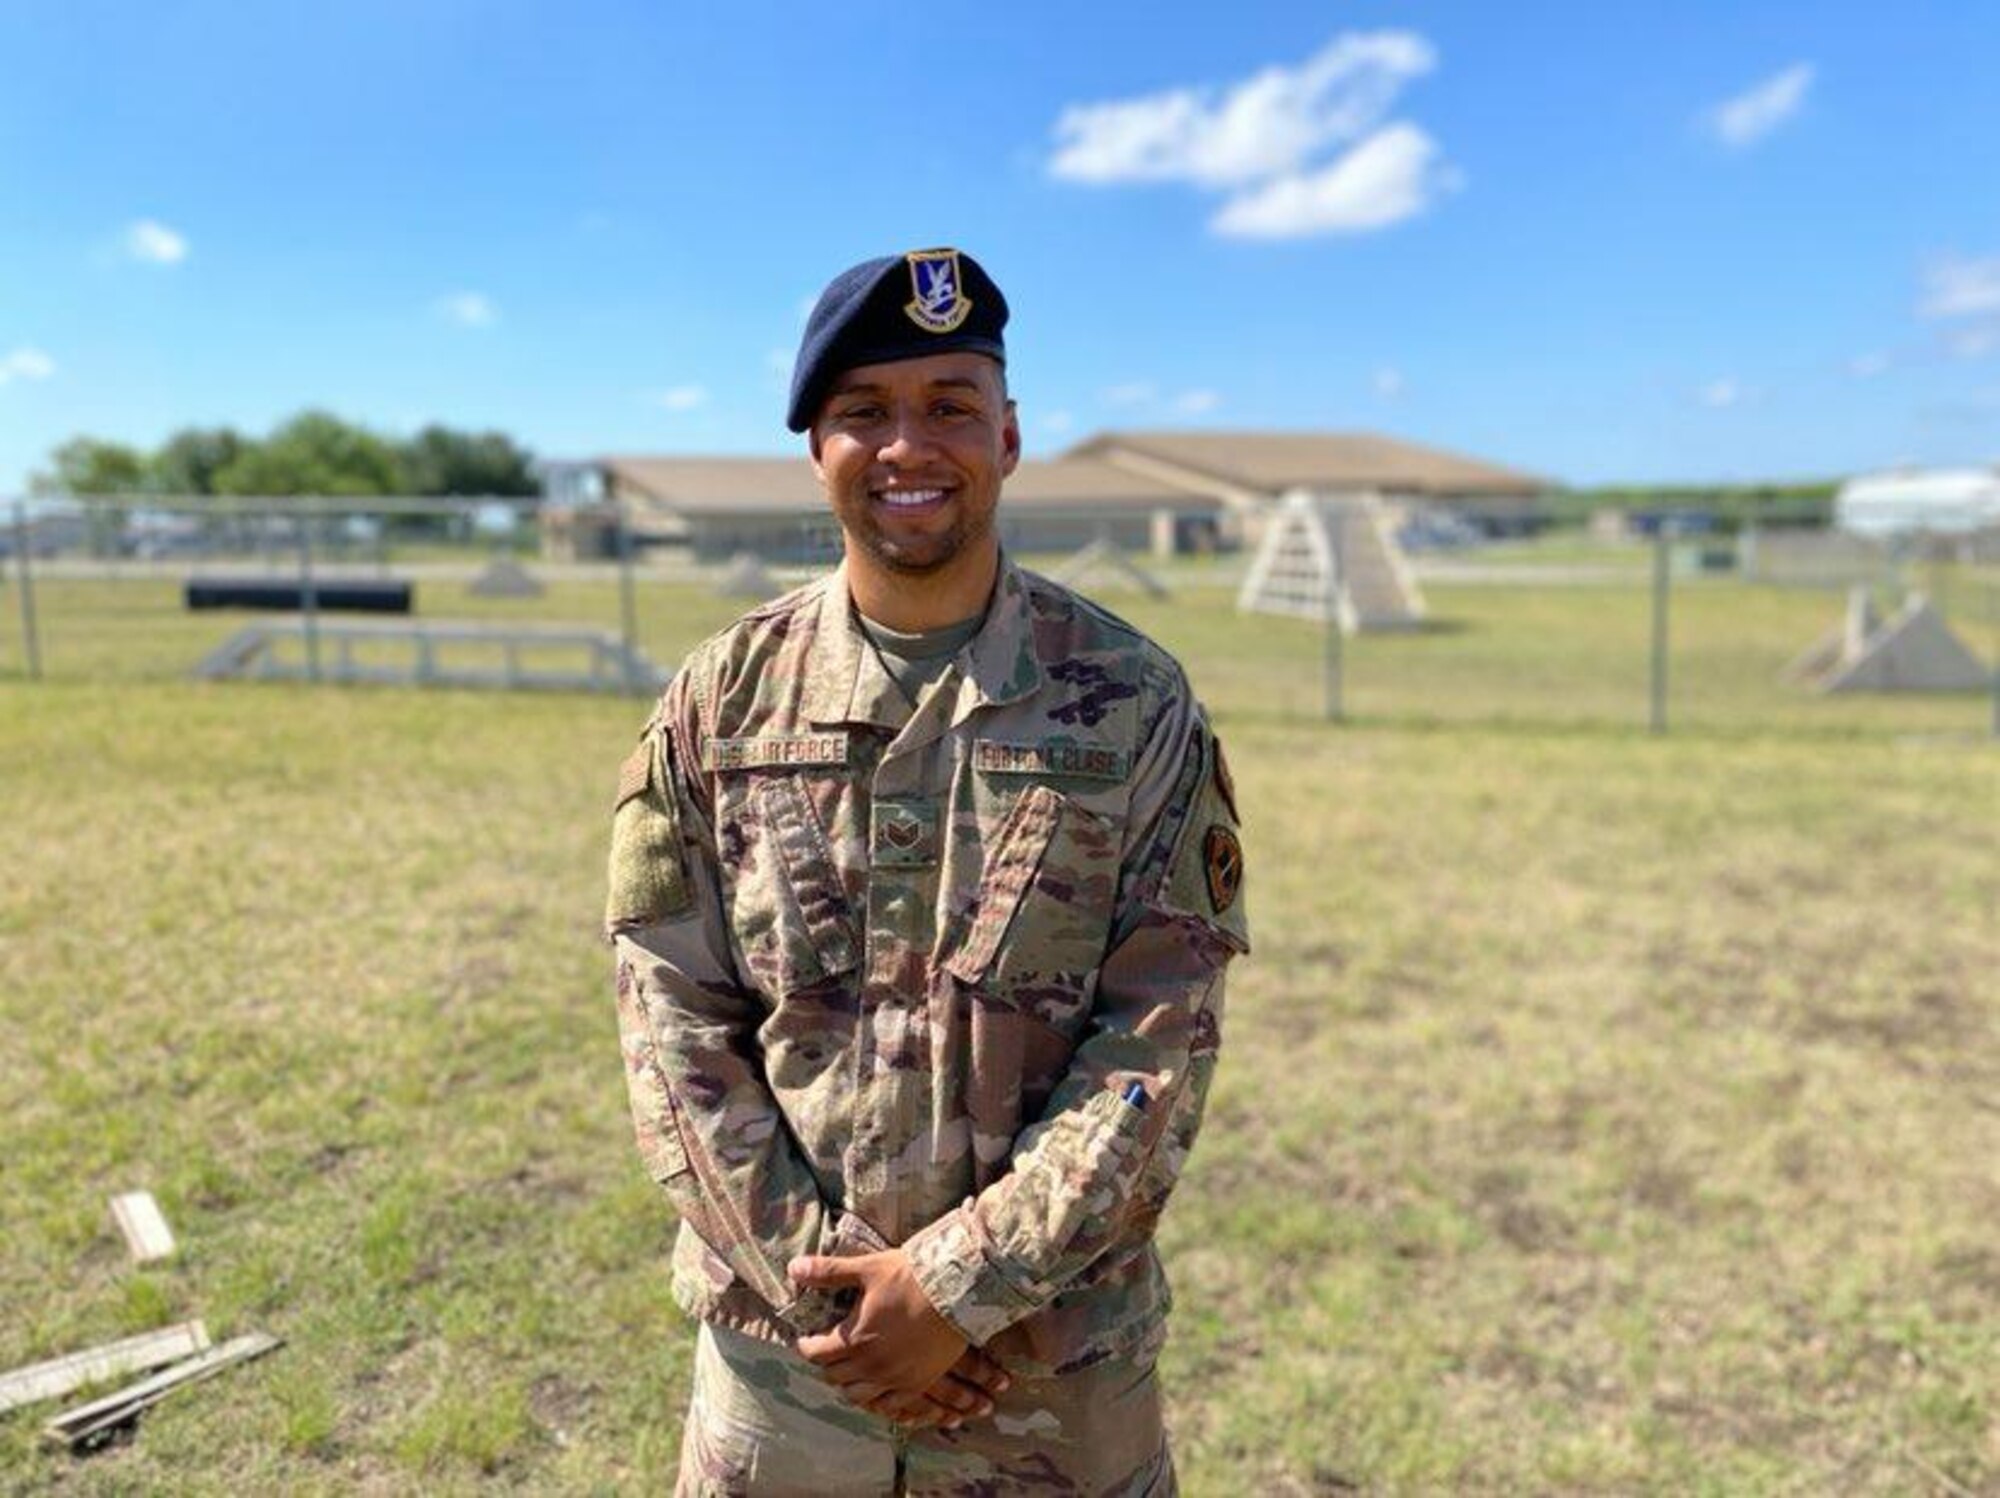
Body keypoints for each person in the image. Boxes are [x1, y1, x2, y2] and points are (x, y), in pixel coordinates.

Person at [606, 246, 1249, 1496]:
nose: (908, 446)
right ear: (817, 452)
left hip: (1045, 1373)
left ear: (1005, 438)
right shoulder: (720, 698)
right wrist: (834, 1300)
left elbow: (1161, 1035)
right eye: (864, 414)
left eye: (948, 407)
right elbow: (667, 1018)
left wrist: (957, 1287)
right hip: (789, 1374)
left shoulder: (1129, 700)